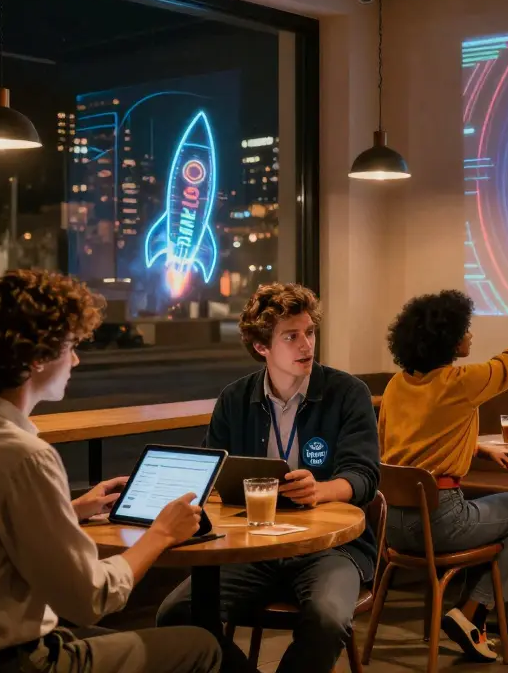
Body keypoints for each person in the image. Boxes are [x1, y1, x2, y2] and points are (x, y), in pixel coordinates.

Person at [0, 270, 225, 673]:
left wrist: (71, 510)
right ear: (38, 357)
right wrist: (161, 533)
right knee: (200, 645)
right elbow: (90, 599)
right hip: (8, 662)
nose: (75, 359)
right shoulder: (24, 456)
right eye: (70, 346)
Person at [157, 283, 380, 673]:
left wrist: (320, 490)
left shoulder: (347, 393)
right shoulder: (235, 398)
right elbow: (211, 474)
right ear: (262, 346)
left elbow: (364, 477)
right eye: (291, 337)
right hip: (252, 547)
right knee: (176, 613)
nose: (306, 345)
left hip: (329, 548)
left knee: (327, 620)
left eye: (309, 332)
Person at [379, 266, 508, 661]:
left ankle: (471, 617)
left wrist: (476, 449)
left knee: (494, 514)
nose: (470, 336)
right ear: (449, 339)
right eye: (465, 330)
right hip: (440, 522)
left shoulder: (397, 385)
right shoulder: (460, 383)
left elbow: (407, 447)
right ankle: (473, 612)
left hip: (393, 527)